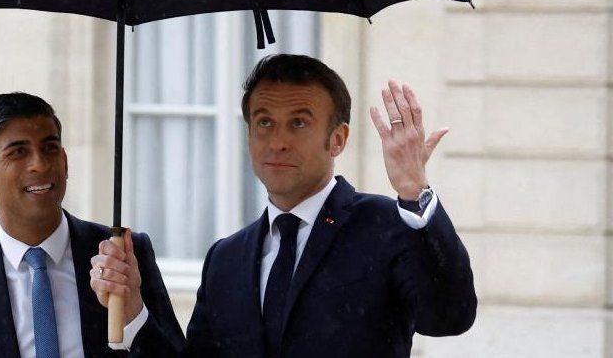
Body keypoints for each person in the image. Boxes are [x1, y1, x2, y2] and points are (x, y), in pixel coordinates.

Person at [90, 54, 476, 357]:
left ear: (338, 139)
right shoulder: (226, 259)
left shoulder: (386, 224)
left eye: (299, 123)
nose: (277, 141)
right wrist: (133, 311)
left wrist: (414, 192)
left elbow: (449, 316)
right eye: (264, 123)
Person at [0, 92, 184, 357]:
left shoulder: (121, 255)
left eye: (49, 148)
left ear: (64, 161)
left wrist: (133, 314)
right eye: (18, 152)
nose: (40, 165)